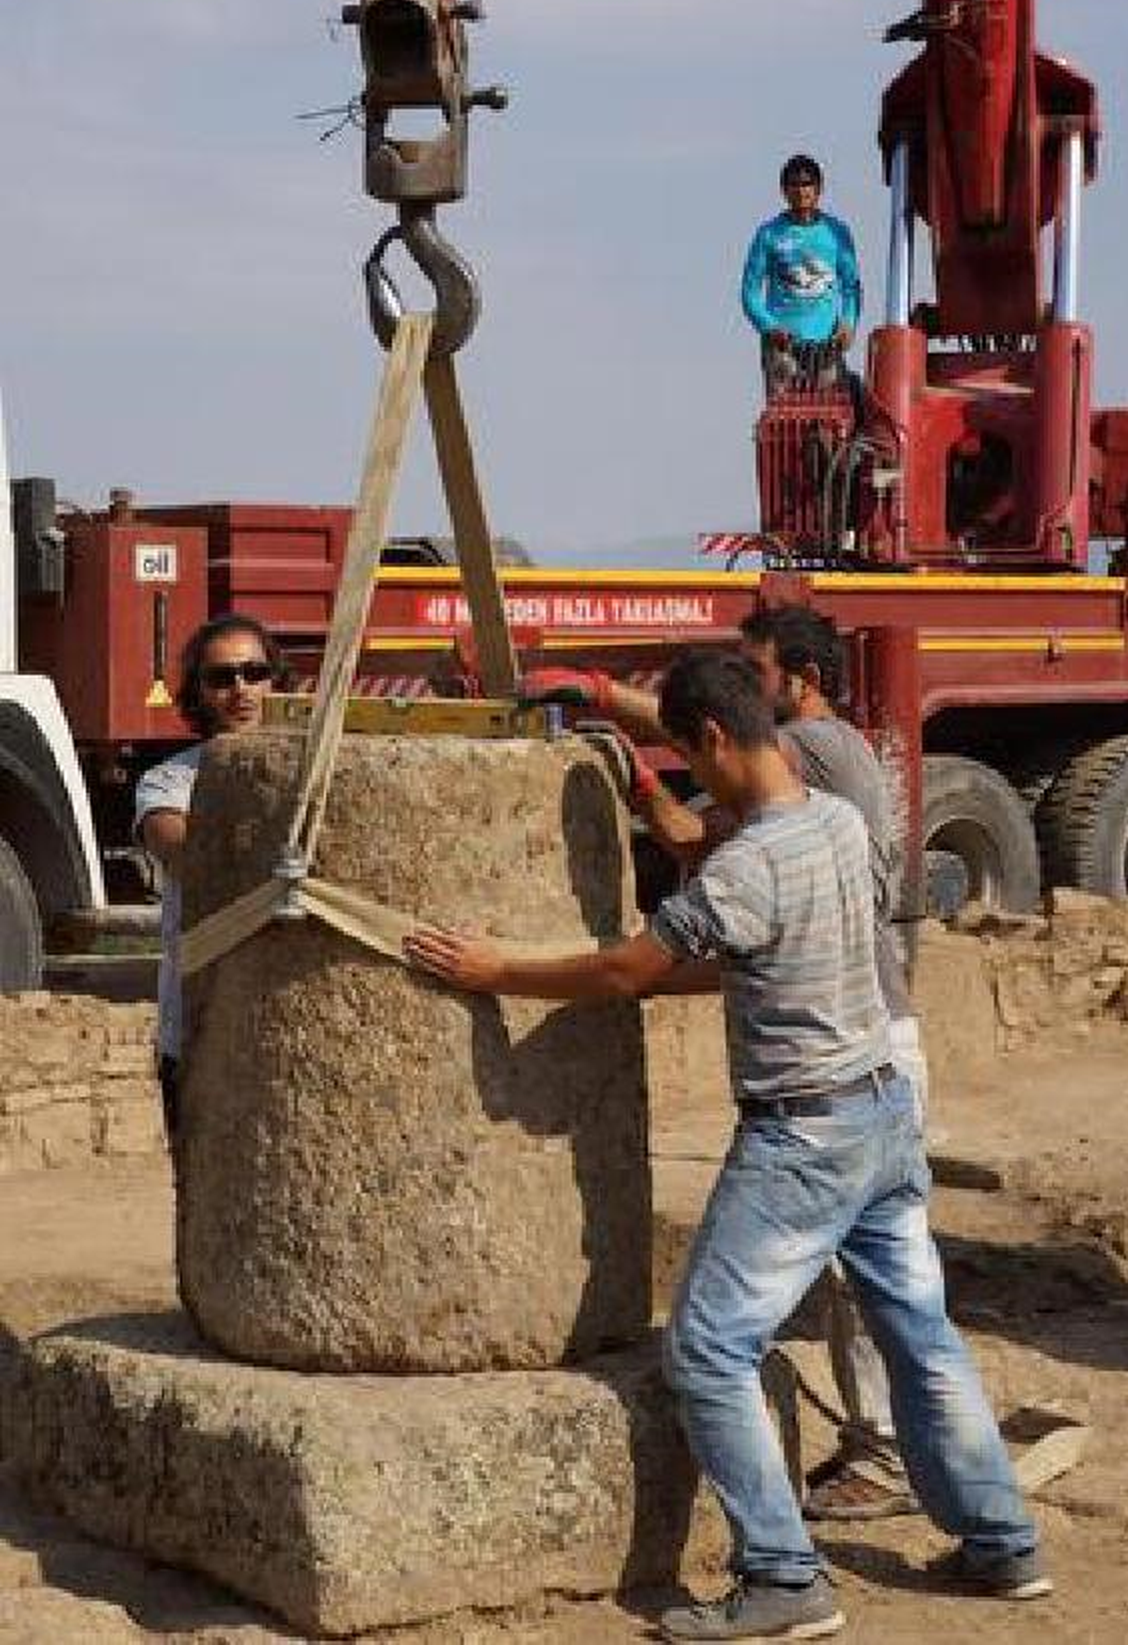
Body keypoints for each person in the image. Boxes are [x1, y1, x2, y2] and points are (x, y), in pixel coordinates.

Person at [407, 650, 1050, 1644]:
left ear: (712, 735)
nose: (692, 776)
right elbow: (749, 962)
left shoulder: (749, 864)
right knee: (919, 1331)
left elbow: (625, 970)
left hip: (806, 1135)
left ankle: (785, 1575)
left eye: (686, 755)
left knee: (708, 1347)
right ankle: (1003, 1541)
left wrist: (499, 971)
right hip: (881, 1112)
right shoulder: (836, 822)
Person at [522, 609, 925, 1522]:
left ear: (801, 683)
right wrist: (640, 787)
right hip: (855, 1066)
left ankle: (865, 1475)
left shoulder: (817, 748)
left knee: (763, 1321)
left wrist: (600, 694)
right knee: (892, 1290)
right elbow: (695, 840)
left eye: (756, 670)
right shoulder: (792, 808)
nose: (747, 687)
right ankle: (977, 1516)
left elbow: (711, 736)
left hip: (841, 1066)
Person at [135, 613, 288, 1142]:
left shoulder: (319, 772)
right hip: (200, 1030)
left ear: (276, 681)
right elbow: (184, 854)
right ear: (199, 693)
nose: (240, 689)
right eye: (222, 678)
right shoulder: (170, 781)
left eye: (254, 673)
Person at [741, 153, 862, 397]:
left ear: (819, 188)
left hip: (826, 343)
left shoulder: (836, 232)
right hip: (782, 344)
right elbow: (749, 292)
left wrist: (848, 323)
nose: (801, 191)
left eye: (807, 184)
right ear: (784, 190)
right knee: (785, 412)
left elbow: (851, 287)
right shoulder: (769, 234)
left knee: (830, 413)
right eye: (794, 184)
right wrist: (769, 326)